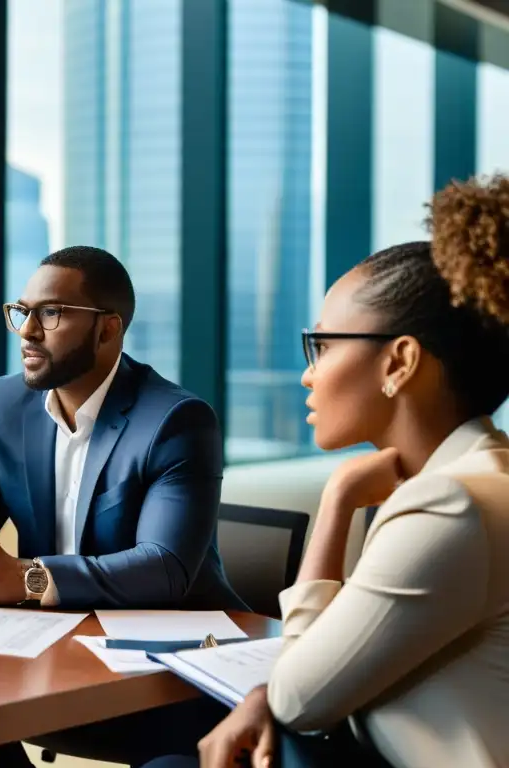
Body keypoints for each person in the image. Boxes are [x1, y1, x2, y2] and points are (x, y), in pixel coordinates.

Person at [150, 175, 509, 768]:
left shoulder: (451, 507)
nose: (307, 375)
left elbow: (299, 696)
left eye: (322, 345)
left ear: (399, 361)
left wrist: (339, 497)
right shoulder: (478, 478)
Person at [0, 246, 244, 767]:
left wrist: (28, 578)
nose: (27, 332)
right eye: (22, 312)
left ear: (107, 329)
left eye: (51, 313)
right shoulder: (6, 402)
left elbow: (165, 565)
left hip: (167, 677)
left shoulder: (176, 420)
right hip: (52, 651)